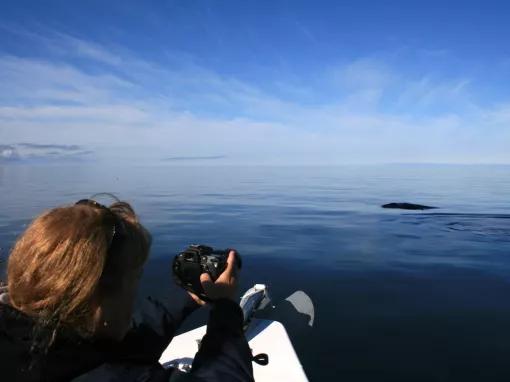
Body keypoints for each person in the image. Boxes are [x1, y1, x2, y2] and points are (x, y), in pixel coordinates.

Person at [0, 199, 254, 381]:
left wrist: (187, 296)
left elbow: (123, 344)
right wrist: (225, 310)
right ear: (96, 294)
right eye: (135, 279)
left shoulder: (34, 344)